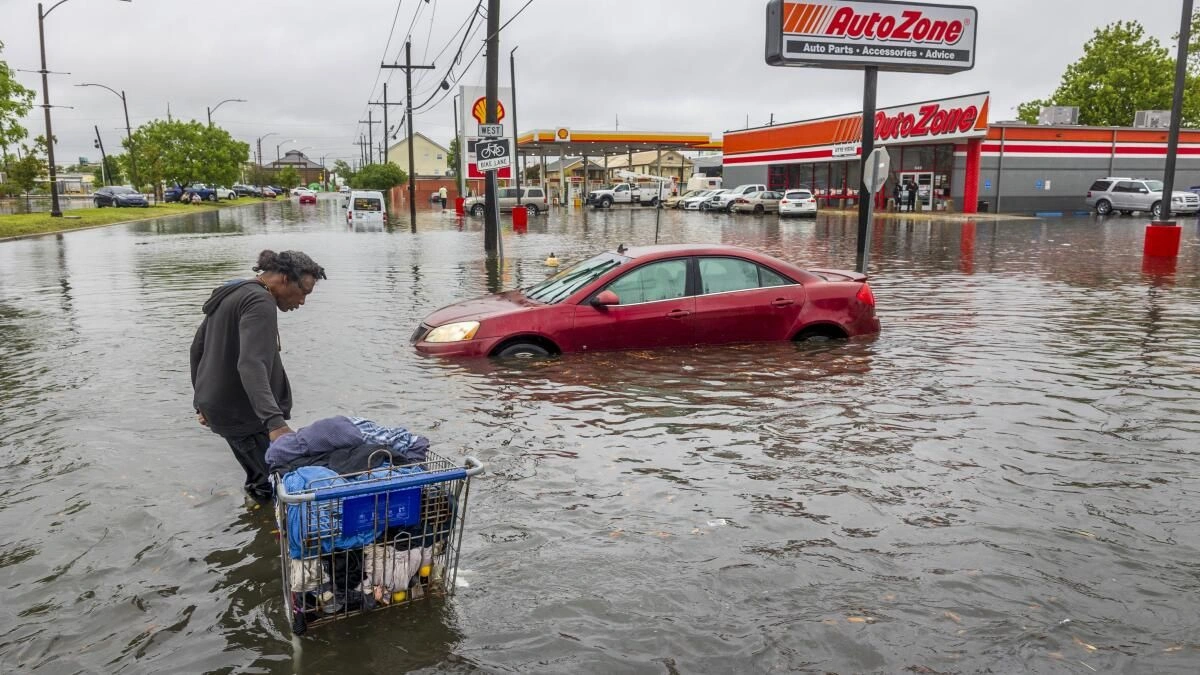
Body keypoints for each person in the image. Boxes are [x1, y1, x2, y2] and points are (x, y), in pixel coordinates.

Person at [190, 250, 327, 503]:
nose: (303, 301)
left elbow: (197, 348)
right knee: (274, 482)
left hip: (221, 407)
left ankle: (257, 527)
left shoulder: (234, 292)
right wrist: (275, 424)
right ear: (285, 278)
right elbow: (251, 364)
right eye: (304, 291)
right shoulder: (260, 301)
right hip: (242, 413)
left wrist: (201, 401)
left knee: (260, 476)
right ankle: (273, 532)